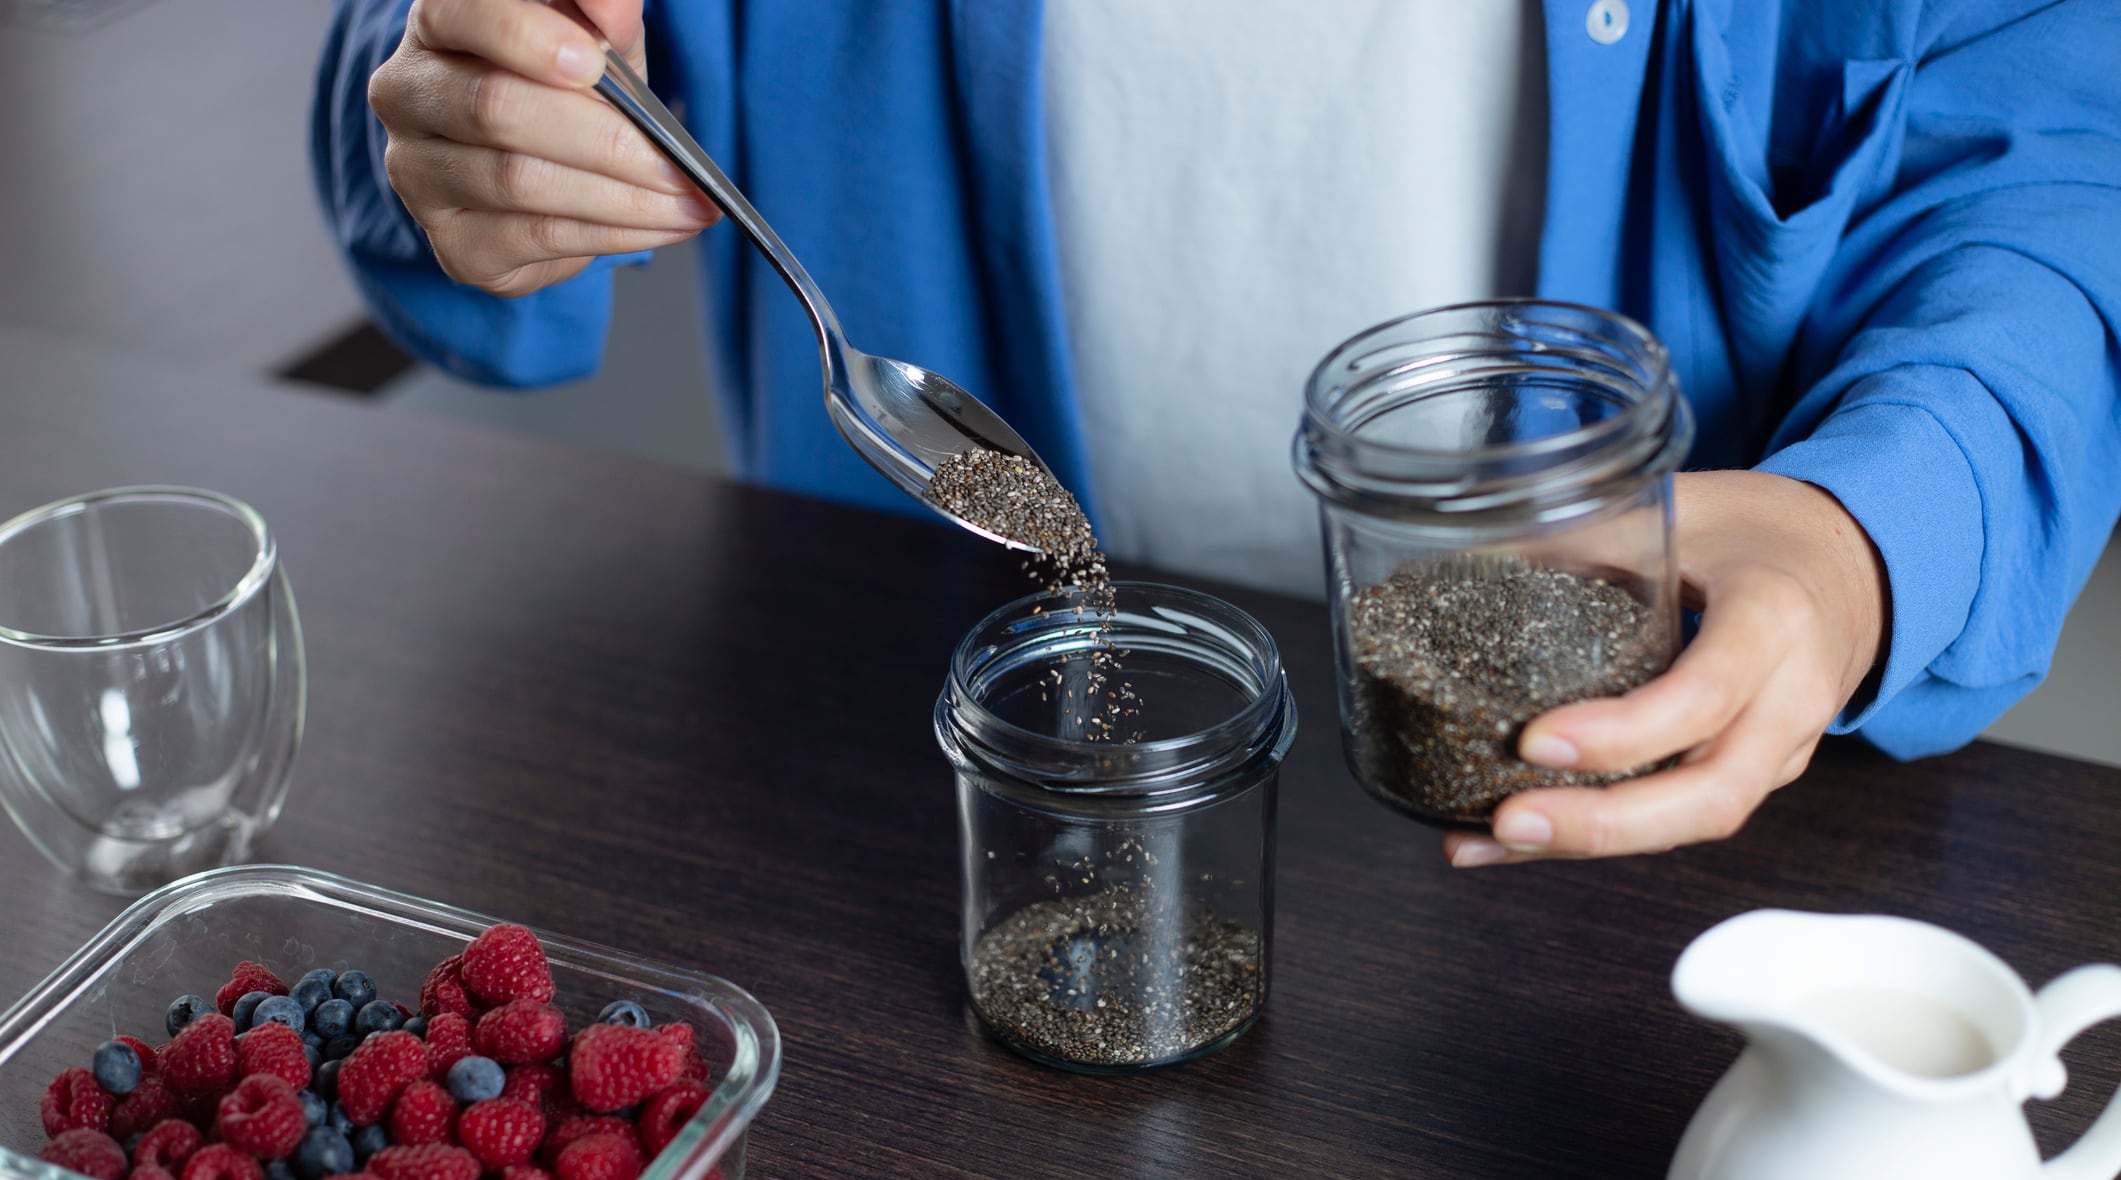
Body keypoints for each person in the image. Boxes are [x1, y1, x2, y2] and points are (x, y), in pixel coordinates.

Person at [314, 0, 2121, 866]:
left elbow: (2045, 146)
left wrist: (1875, 524)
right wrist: (467, 99)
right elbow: (418, 63)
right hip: (900, 774)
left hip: (1641, 815)